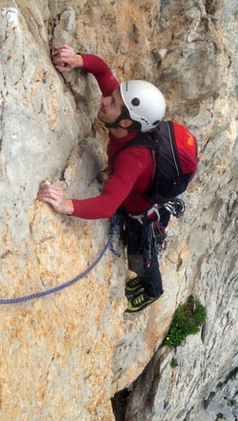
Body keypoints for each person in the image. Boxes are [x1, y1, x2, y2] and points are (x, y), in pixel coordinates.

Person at [37, 44, 170, 312]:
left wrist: (66, 205)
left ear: (124, 123)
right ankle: (146, 282)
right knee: (137, 255)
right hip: (132, 196)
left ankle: (153, 290)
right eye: (112, 96)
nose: (104, 99)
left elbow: (108, 205)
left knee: (139, 257)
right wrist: (76, 59)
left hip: (140, 214)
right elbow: (103, 70)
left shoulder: (134, 159)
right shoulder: (125, 112)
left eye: (112, 102)